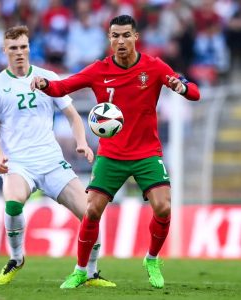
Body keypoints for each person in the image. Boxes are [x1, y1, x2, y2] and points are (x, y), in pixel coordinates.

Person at [31, 15, 200, 289]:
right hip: (111, 154)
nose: (120, 41)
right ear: (109, 39)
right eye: (114, 36)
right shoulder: (99, 70)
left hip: (147, 153)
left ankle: (152, 259)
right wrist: (44, 84)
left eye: (125, 35)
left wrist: (181, 86)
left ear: (135, 37)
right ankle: (81, 270)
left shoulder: (154, 67)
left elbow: (194, 93)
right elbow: (63, 86)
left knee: (164, 206)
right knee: (92, 210)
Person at [0, 25, 115, 288]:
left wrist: (82, 143)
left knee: (90, 212)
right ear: (5, 51)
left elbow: (73, 117)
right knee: (13, 203)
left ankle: (91, 273)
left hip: (52, 161)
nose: (19, 52)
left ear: (29, 48)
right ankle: (17, 257)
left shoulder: (47, 77)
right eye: (13, 48)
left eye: (23, 47)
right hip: (18, 163)